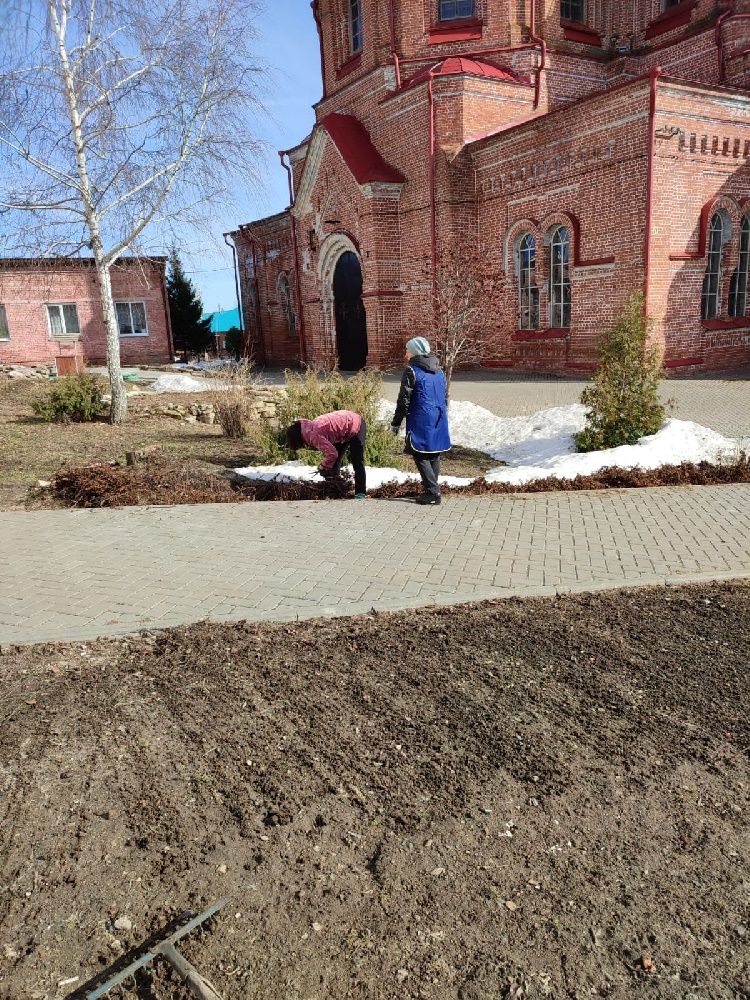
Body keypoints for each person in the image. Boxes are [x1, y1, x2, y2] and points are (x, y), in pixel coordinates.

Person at [390, 337, 451, 505]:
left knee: (420, 454)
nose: (405, 353)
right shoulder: (440, 371)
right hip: (438, 417)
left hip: (420, 418)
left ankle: (433, 492)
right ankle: (431, 490)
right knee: (433, 453)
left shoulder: (412, 371)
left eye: (407, 350)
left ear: (415, 352)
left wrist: (396, 423)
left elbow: (404, 400)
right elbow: (445, 397)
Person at [286, 410, 367, 499]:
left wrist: (323, 466)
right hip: (343, 428)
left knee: (357, 460)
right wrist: (326, 466)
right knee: (334, 463)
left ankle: (360, 493)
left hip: (356, 424)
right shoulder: (307, 428)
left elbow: (332, 454)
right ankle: (335, 491)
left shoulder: (312, 435)